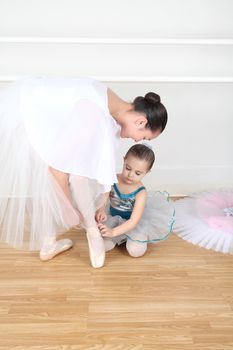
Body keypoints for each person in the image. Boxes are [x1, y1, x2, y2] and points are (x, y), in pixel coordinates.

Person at [0, 75, 168, 268]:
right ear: (140, 122)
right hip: (28, 111)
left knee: (77, 174)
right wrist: (68, 210)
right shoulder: (93, 115)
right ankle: (91, 232)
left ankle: (49, 244)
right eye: (144, 136)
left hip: (36, 104)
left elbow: (94, 164)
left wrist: (97, 199)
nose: (138, 141)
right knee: (73, 177)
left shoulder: (110, 105)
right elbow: (56, 169)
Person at [96, 144, 175, 257]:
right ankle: (117, 237)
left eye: (138, 173)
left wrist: (113, 232)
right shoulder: (113, 179)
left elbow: (133, 222)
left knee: (135, 252)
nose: (130, 175)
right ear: (124, 160)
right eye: (128, 168)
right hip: (113, 216)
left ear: (147, 172)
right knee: (103, 245)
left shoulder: (141, 193)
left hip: (133, 222)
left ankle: (132, 236)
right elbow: (104, 198)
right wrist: (101, 210)